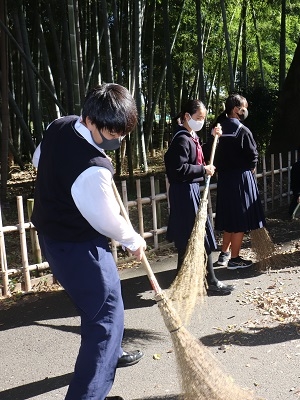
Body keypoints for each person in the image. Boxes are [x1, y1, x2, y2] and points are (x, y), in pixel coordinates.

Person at [31, 83, 145, 400]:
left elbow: (39, 159)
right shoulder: (94, 170)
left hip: (53, 235)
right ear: (91, 120)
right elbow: (106, 219)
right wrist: (132, 239)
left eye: (122, 133)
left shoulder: (60, 125)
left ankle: (113, 353)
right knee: (106, 316)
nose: (118, 140)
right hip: (79, 247)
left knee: (95, 303)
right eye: (113, 133)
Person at [164, 99, 234, 294]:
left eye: (203, 118)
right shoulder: (181, 139)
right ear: (187, 116)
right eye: (198, 118)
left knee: (190, 237)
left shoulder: (190, 136)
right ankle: (209, 280)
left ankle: (183, 280)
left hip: (189, 191)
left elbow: (199, 154)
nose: (201, 121)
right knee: (197, 236)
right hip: (184, 192)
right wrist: (203, 170)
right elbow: (177, 169)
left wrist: (213, 138)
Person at [210, 94, 266, 270]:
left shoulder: (217, 129)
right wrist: (250, 169)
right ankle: (234, 259)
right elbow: (253, 155)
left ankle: (224, 254)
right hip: (241, 178)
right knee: (239, 219)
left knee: (230, 218)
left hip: (225, 179)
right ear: (235, 109)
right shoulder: (242, 130)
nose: (245, 110)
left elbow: (212, 153)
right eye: (244, 107)